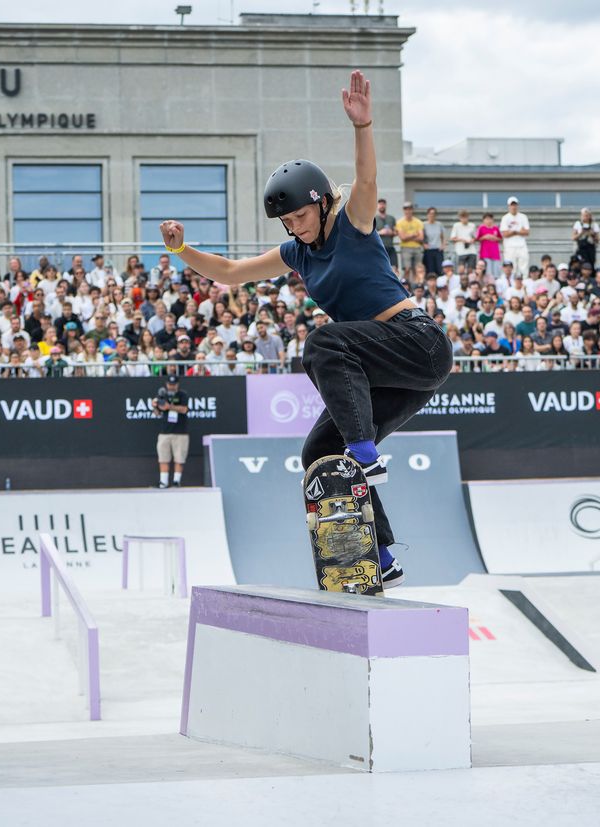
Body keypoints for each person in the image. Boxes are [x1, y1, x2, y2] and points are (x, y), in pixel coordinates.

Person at [158, 69, 451, 588]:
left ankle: (366, 452)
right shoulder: (296, 253)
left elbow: (367, 181)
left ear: (319, 202)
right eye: (287, 223)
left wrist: (363, 127)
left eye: (299, 217)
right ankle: (380, 554)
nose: (295, 228)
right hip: (391, 375)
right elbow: (230, 272)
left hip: (418, 344)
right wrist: (181, 249)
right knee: (319, 453)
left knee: (321, 341)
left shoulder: (353, 224)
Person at [154, 374, 189, 488]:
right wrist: (154, 406)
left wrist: (169, 407)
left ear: (177, 384)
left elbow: (184, 409)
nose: (171, 386)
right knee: (163, 457)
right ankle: (163, 482)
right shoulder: (162, 394)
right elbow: (157, 413)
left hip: (180, 432)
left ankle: (176, 481)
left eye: (174, 384)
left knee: (179, 458)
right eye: (170, 384)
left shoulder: (182, 394)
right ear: (166, 384)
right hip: (165, 432)